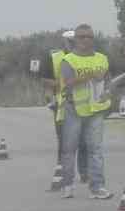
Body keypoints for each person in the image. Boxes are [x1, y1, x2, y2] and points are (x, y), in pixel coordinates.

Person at [59, 24, 113, 199]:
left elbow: (108, 80)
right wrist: (88, 76)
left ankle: (97, 187)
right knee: (69, 149)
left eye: (89, 37)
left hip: (96, 110)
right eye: (81, 37)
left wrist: (107, 92)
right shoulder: (69, 60)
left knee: (95, 149)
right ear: (75, 39)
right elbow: (67, 82)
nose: (85, 40)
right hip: (73, 109)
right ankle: (68, 184)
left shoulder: (102, 58)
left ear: (93, 39)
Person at [36, 30, 87, 187]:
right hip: (62, 104)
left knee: (84, 140)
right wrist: (57, 86)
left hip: (84, 104)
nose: (73, 44)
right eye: (70, 42)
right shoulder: (54, 57)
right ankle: (63, 173)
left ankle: (85, 172)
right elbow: (44, 79)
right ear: (64, 42)